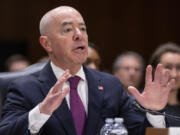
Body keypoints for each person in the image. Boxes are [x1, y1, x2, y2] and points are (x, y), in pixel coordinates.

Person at [0, 6, 175, 135]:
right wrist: (42, 111)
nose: (79, 34)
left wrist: (154, 113)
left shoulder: (110, 85)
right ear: (47, 43)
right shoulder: (24, 88)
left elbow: (140, 132)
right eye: (67, 29)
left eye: (82, 28)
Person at [149, 42, 180, 126]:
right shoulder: (141, 106)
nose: (174, 74)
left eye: (178, 67)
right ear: (155, 70)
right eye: (168, 67)